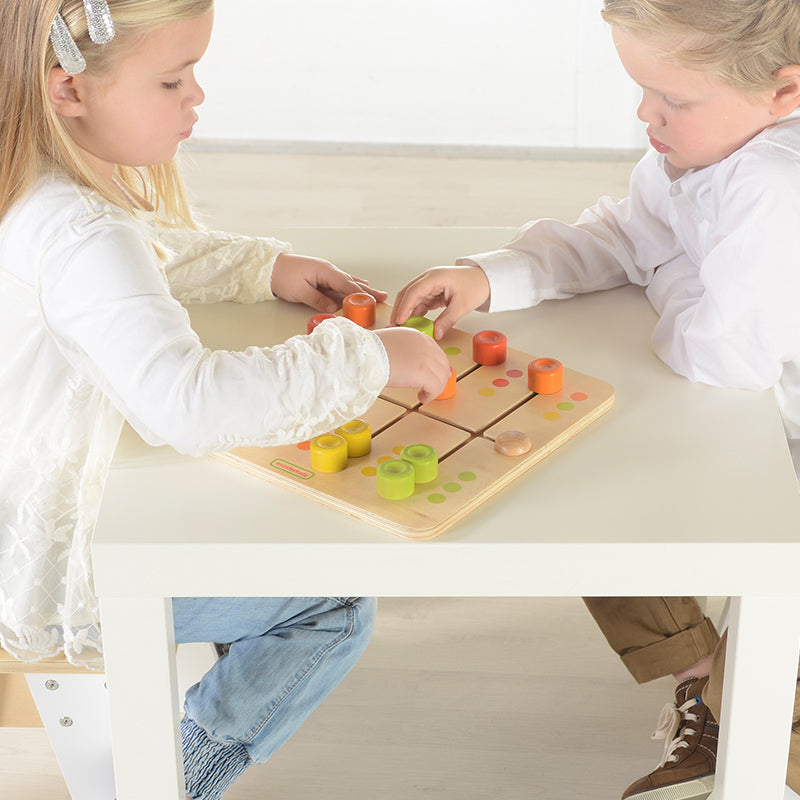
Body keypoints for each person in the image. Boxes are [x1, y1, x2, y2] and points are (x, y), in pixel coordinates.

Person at [0, 2, 451, 799]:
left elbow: (126, 268)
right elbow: (189, 406)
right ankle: (175, 781)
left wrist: (257, 269)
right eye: (173, 79)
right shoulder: (80, 232)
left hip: (25, 516)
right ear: (68, 89)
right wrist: (369, 357)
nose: (196, 98)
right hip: (47, 579)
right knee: (336, 604)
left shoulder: (30, 183)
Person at [390, 1, 800, 798]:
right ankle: (706, 678)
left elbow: (719, 352)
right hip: (748, 429)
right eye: (641, 88)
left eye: (671, 100)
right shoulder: (709, 148)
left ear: (786, 91)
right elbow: (625, 237)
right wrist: (495, 273)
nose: (644, 113)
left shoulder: (778, 185)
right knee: (578, 488)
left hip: (776, 446)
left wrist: (671, 274)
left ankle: (753, 750)